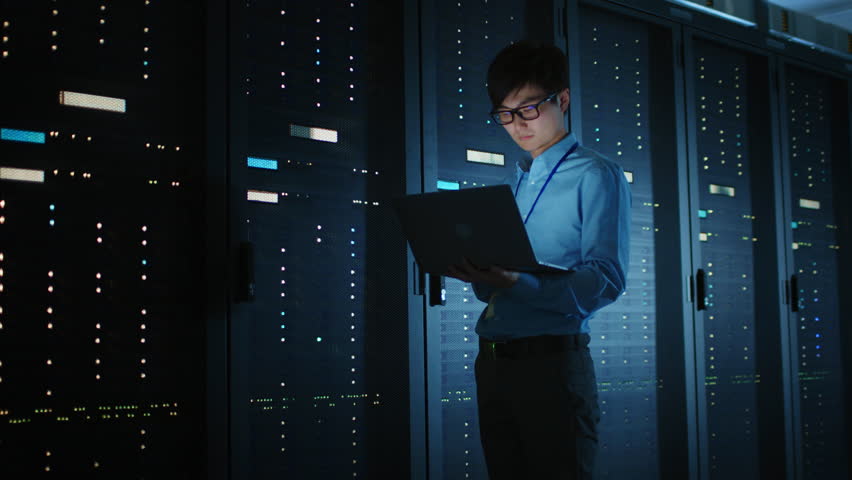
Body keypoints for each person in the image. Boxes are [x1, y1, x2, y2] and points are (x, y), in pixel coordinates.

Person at [446, 41, 631, 479]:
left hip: (552, 367)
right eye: (505, 114)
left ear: (562, 100)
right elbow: (496, 288)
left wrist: (517, 282)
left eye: (528, 109)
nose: (517, 125)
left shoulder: (595, 174)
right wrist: (482, 273)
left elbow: (606, 279)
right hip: (494, 365)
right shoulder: (514, 183)